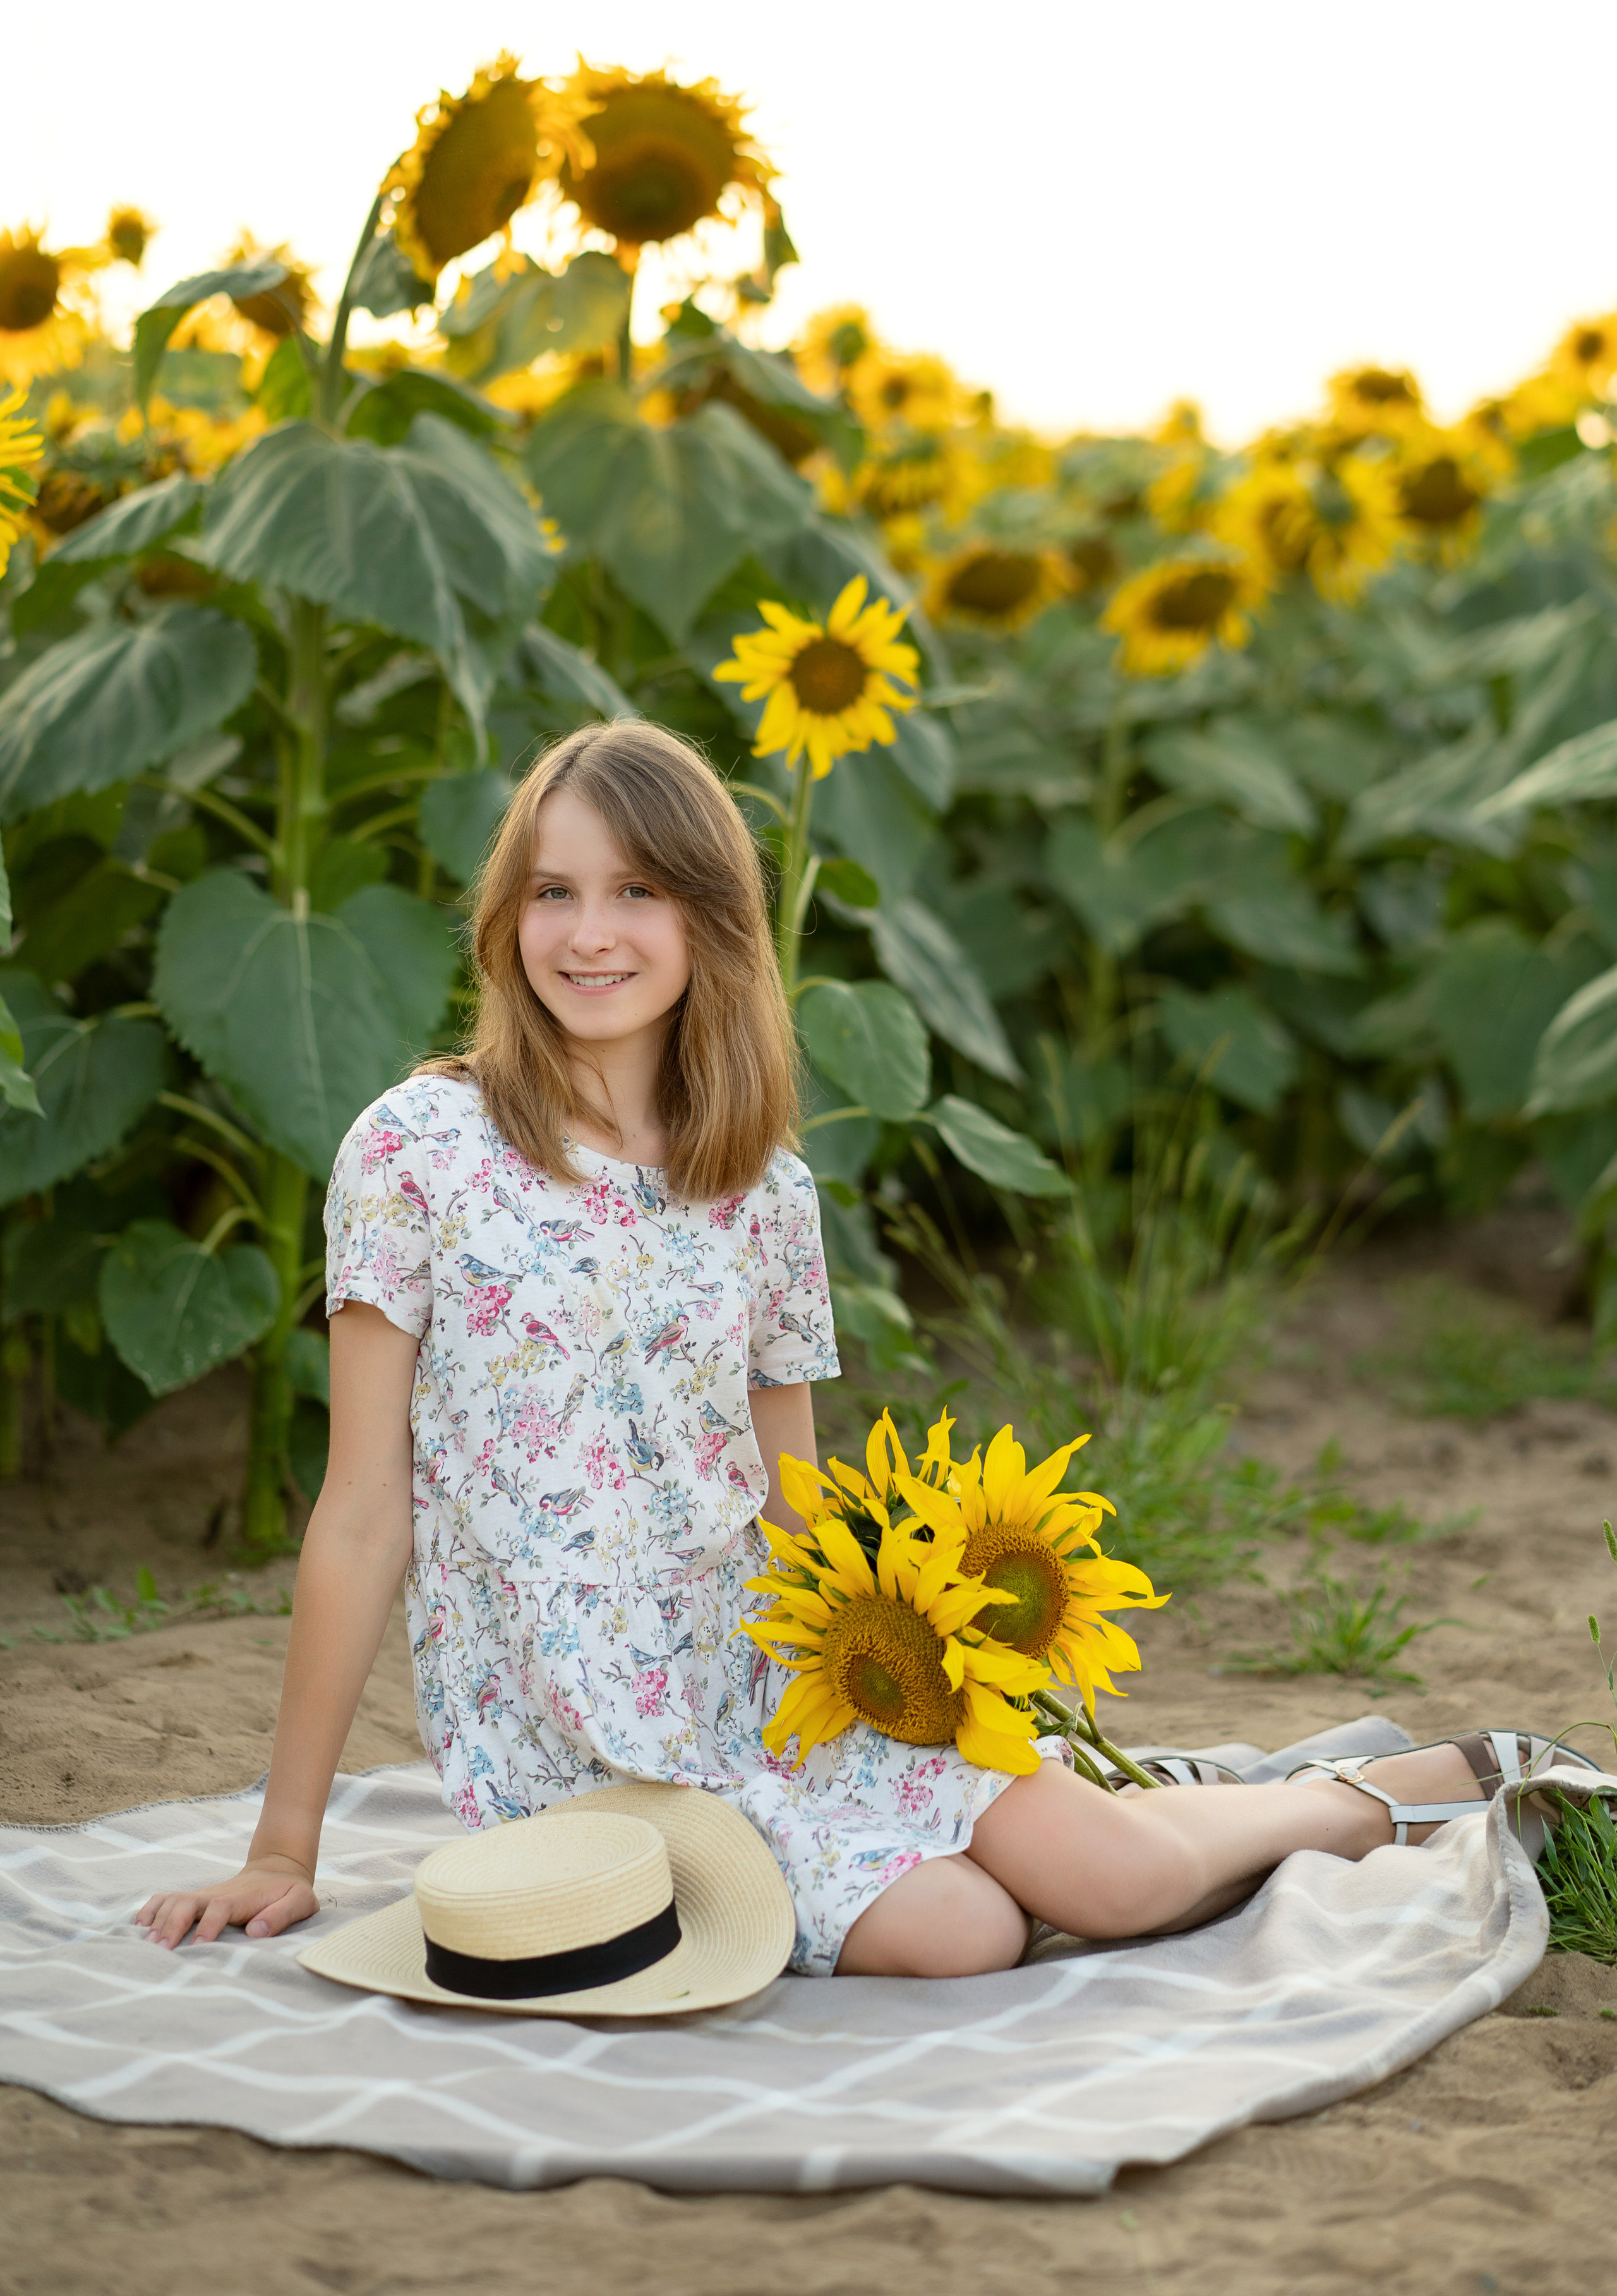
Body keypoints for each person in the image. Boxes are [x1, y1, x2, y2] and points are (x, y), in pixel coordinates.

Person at [138, 723, 1586, 1981]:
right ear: (504, 915)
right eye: (553, 891)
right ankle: (1152, 1813)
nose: (588, 933)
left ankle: (1365, 1793)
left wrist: (907, 1676)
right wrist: (283, 1847)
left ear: (712, 920)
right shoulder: (419, 1149)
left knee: (1115, 1882)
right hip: (572, 1750)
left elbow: (794, 1506)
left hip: (774, 1686)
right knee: (960, 1936)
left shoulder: (761, 1190)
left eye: (638, 891)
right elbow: (361, 1514)